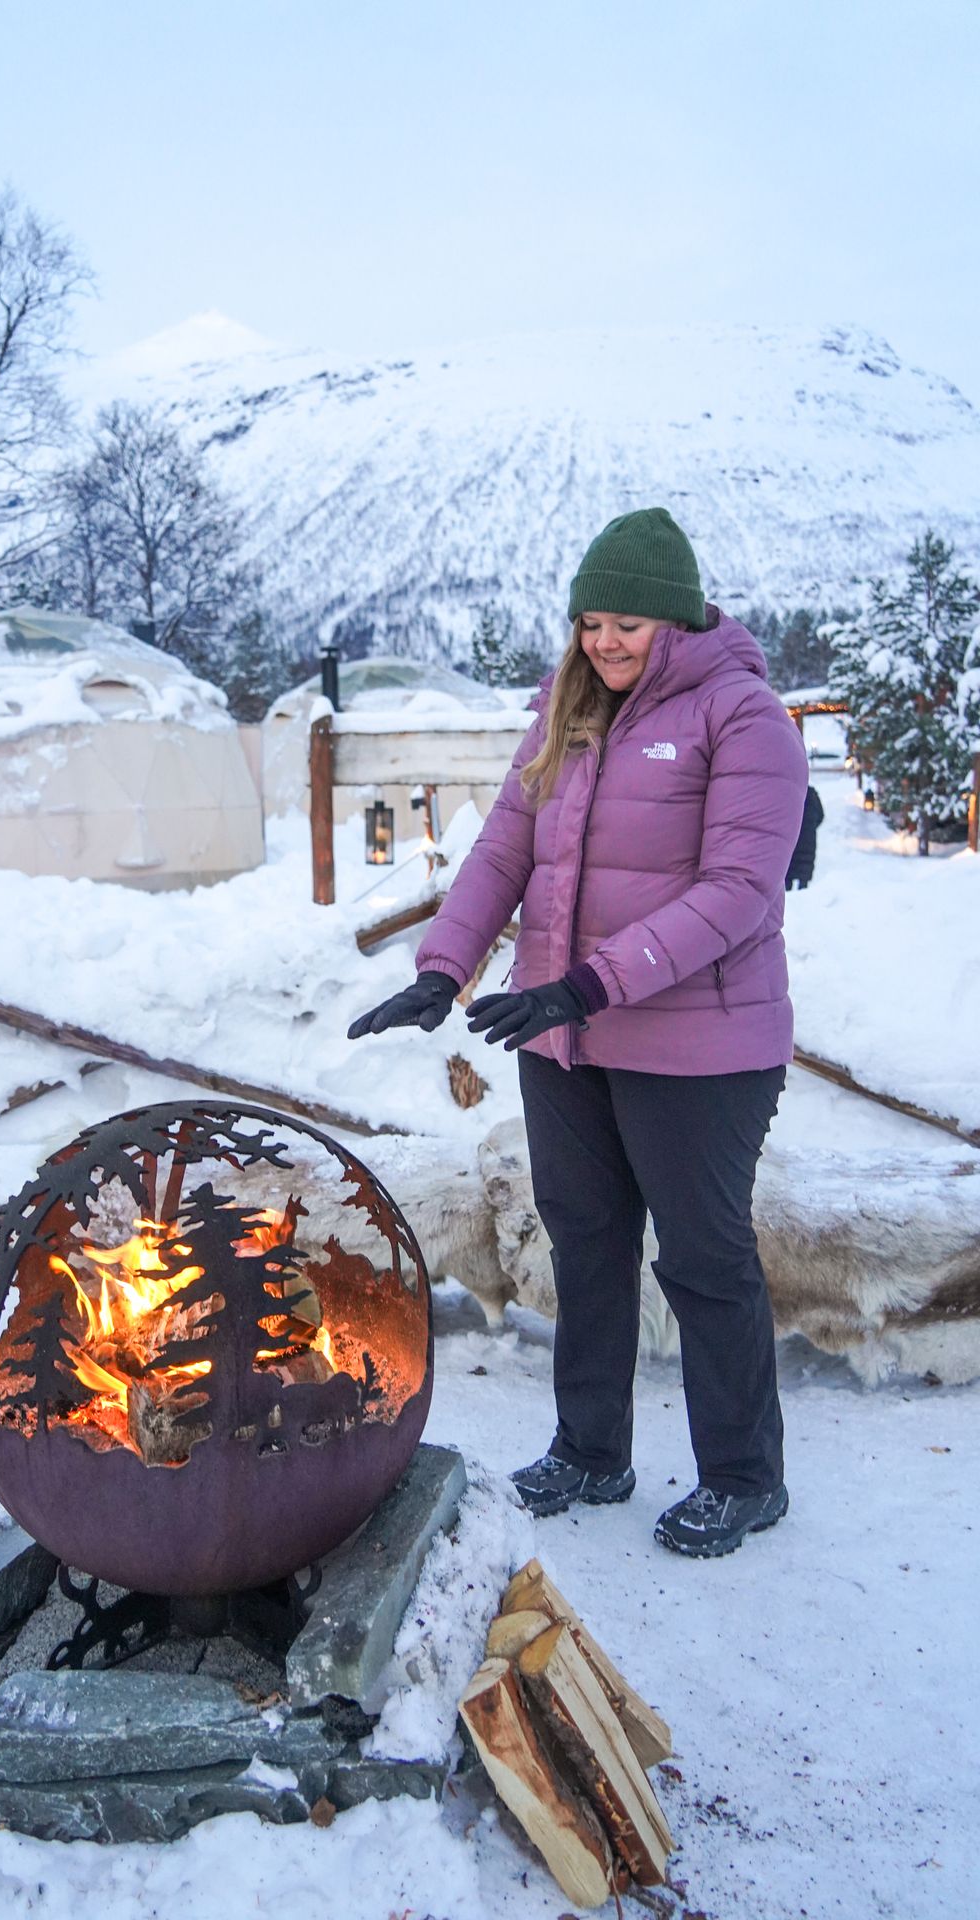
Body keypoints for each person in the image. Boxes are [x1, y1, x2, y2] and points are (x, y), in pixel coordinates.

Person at [349, 508, 808, 1559]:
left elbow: (737, 892)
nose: (603, 642)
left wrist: (587, 983)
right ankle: (590, 1450)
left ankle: (743, 1476)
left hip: (699, 1045)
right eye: (590, 621)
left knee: (700, 1259)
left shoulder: (740, 717)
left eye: (628, 625)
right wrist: (440, 970)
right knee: (587, 1245)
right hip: (567, 1040)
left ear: (678, 622)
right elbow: (503, 852)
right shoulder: (567, 711)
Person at [785, 784, 825, 889]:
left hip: (791, 837)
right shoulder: (812, 794)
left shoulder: (789, 793)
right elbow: (821, 815)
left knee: (788, 868)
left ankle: (788, 891)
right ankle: (803, 890)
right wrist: (811, 828)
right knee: (804, 869)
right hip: (808, 840)